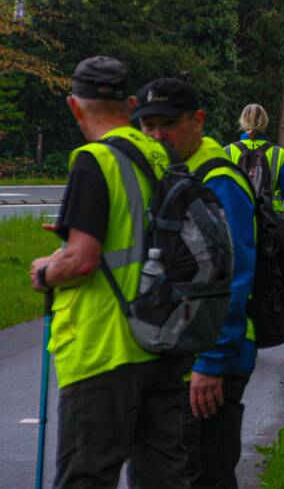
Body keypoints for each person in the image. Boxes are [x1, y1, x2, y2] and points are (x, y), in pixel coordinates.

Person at [28, 56, 188, 489]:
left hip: (104, 347)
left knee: (88, 475)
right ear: (132, 104)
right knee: (163, 476)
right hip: (164, 338)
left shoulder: (93, 161)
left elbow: (81, 260)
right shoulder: (163, 155)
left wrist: (45, 270)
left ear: (73, 107)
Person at [132, 78, 257, 489]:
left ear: (197, 120)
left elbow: (233, 277)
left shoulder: (216, 178)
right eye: (146, 125)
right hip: (180, 347)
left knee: (203, 473)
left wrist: (211, 362)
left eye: (166, 124)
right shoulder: (172, 169)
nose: (155, 135)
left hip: (210, 356)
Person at [224, 103, 284, 220]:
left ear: (242, 122)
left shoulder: (227, 152)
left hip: (238, 217)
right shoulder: (279, 154)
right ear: (265, 123)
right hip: (271, 218)